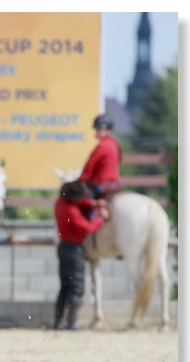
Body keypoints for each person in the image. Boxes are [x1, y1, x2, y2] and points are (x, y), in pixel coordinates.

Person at [53, 179, 110, 330]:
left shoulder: (60, 203)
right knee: (76, 287)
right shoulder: (72, 211)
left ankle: (58, 321)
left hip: (63, 247)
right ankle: (72, 321)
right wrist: (100, 218)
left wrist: (94, 204)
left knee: (64, 286)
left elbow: (82, 203)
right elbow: (87, 228)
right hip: (74, 249)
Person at [80, 114, 122, 199]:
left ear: (107, 130)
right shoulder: (115, 144)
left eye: (98, 129)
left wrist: (81, 180)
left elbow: (89, 167)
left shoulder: (102, 146)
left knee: (81, 201)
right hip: (115, 185)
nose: (96, 132)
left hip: (101, 186)